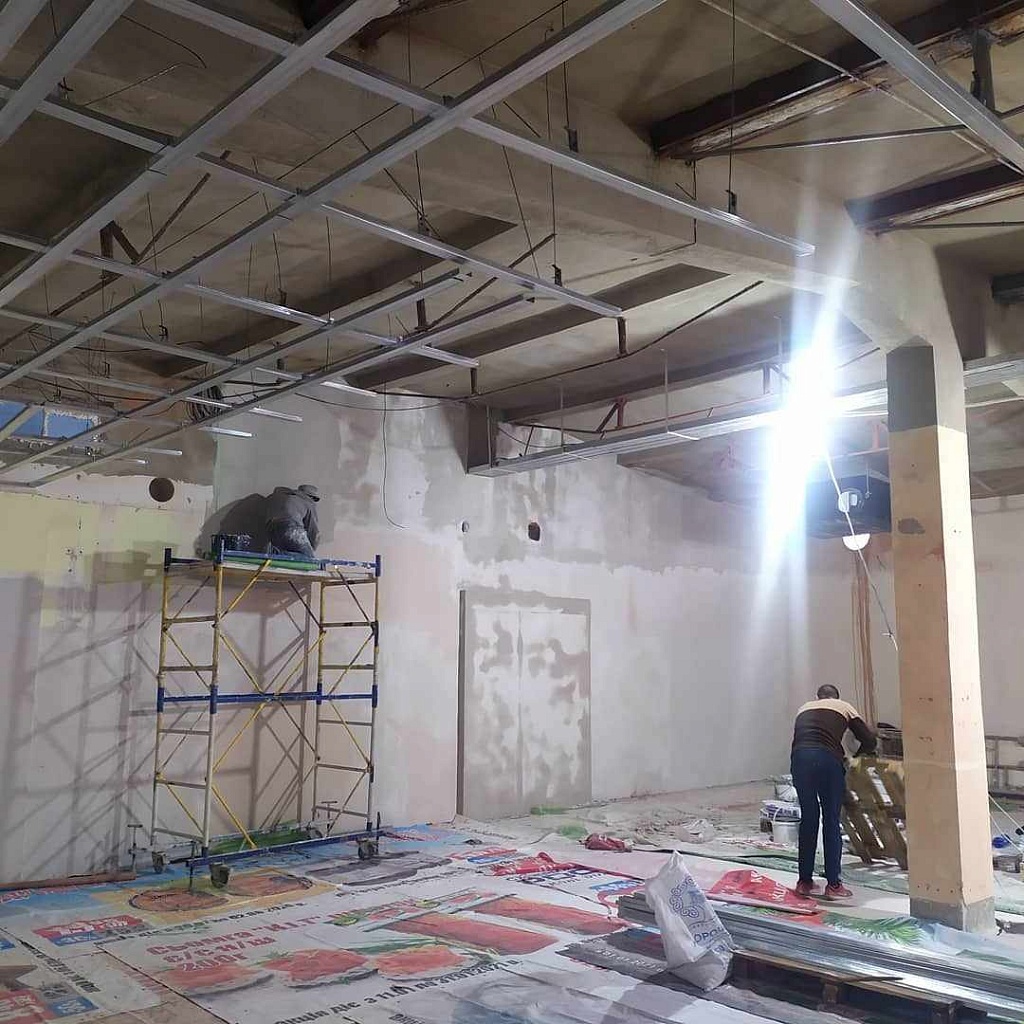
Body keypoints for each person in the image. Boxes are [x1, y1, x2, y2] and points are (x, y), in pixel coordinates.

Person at [790, 684, 876, 901]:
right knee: (830, 820)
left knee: (809, 819)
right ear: (836, 697)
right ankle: (834, 885)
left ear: (818, 697)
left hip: (799, 760)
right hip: (827, 759)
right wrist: (854, 759)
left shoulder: (804, 708)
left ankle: (804, 882)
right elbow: (869, 740)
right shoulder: (843, 706)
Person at [265, 484, 320, 560]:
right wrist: (311, 549)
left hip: (271, 529)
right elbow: (313, 531)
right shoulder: (308, 502)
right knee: (308, 558)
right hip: (291, 527)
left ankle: (276, 552)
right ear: (311, 497)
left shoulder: (285, 497)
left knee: (285, 560)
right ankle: (276, 553)